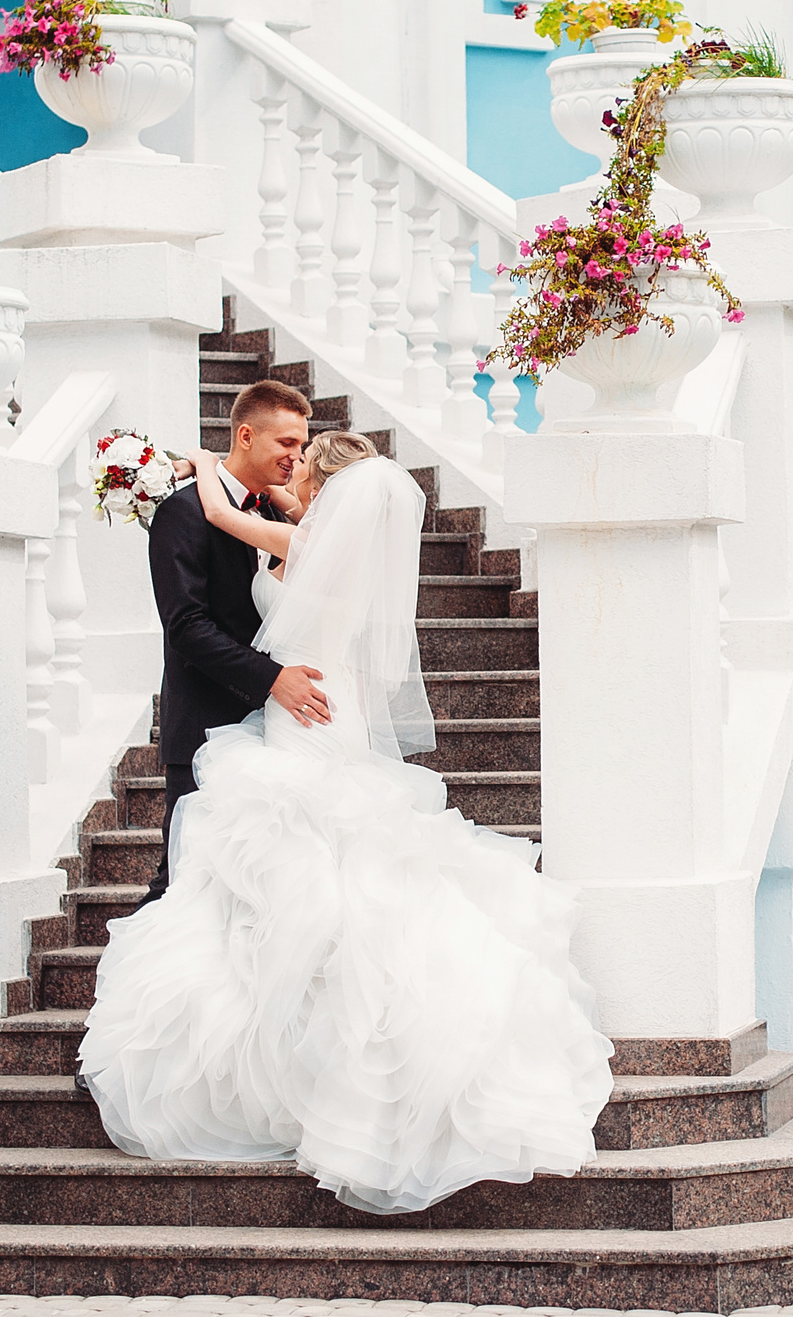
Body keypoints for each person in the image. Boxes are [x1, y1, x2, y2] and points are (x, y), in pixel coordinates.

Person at [79, 437, 615, 1216]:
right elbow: (297, 515)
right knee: (334, 860)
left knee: (302, 867)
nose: (291, 472)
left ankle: (298, 1075)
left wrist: (196, 466)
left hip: (303, 716)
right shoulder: (334, 543)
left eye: (303, 464)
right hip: (329, 709)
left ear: (324, 483)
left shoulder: (301, 541)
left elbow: (226, 512)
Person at [138, 380, 331, 907]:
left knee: (248, 891)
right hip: (204, 728)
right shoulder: (182, 512)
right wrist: (272, 679)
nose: (297, 456)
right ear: (245, 435)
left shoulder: (273, 513)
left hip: (269, 737)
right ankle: (125, 990)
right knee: (181, 883)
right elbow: (186, 626)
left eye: (302, 445)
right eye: (286, 443)